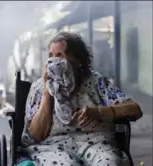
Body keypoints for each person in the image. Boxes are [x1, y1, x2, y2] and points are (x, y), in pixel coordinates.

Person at [18, 32, 142, 166]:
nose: (53, 61)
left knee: (109, 163)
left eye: (60, 55)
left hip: (97, 144)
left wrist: (99, 112)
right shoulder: (39, 87)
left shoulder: (95, 83)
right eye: (51, 56)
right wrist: (48, 92)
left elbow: (134, 110)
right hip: (52, 147)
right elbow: (35, 136)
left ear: (78, 61)